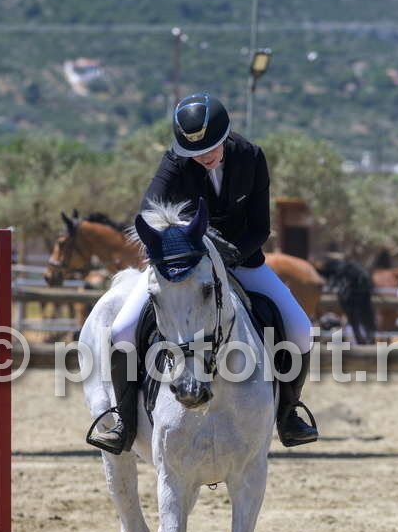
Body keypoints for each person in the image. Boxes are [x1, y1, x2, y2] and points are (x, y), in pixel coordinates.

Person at [91, 93, 318, 454]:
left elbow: (260, 227)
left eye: (211, 147)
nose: (204, 156)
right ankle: (124, 420)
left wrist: (229, 256)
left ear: (225, 136)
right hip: (185, 265)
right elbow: (149, 213)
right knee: (121, 330)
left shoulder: (251, 157)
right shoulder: (175, 163)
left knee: (301, 330)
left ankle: (289, 413)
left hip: (241, 261)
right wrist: (188, 245)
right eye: (195, 151)